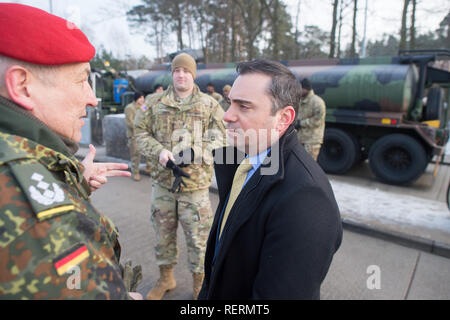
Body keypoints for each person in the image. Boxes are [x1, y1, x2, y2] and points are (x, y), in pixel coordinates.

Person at [0, 3, 141, 299]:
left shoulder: (22, 161)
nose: (92, 99)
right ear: (22, 86)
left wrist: (69, 182)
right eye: (81, 81)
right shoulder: (20, 196)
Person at [198, 59, 342, 300]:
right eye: (229, 103)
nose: (227, 116)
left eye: (243, 106)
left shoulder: (306, 200)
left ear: (284, 118)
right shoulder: (243, 160)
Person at [135, 53, 226, 300]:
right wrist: (159, 151)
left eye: (186, 71)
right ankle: (166, 278)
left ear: (193, 74)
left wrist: (196, 152)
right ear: (172, 74)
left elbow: (222, 138)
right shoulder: (154, 102)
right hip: (163, 186)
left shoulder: (209, 105)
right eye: (177, 71)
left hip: (195, 188)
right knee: (163, 236)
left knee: (198, 241)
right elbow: (140, 133)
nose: (181, 75)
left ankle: (200, 286)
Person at [295, 78, 326, 161]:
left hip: (311, 141)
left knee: (308, 165)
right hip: (300, 139)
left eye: (300, 88)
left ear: (305, 89)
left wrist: (300, 123)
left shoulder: (317, 102)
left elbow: (317, 121)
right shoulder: (300, 101)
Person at [124, 91, 151, 181]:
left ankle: (148, 168)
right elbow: (129, 122)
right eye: (140, 98)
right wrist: (140, 128)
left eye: (143, 97)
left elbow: (148, 116)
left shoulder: (143, 106)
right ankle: (135, 172)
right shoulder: (130, 108)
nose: (142, 99)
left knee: (148, 151)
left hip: (145, 134)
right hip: (134, 135)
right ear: (136, 99)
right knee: (136, 154)